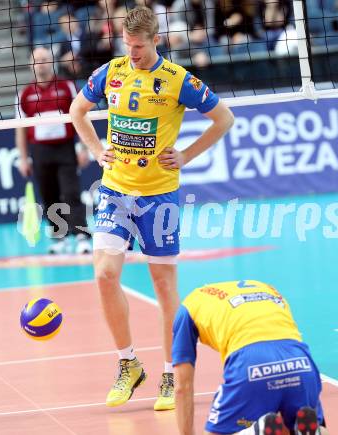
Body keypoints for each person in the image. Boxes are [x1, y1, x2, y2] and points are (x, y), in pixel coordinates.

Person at [69, 5, 234, 411]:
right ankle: (128, 364)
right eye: (128, 46)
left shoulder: (178, 80)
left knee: (164, 287)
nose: (133, 53)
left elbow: (224, 119)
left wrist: (188, 155)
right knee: (105, 275)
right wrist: (96, 149)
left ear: (155, 40)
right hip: (115, 191)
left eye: (139, 47)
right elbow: (77, 111)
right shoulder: (112, 71)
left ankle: (168, 373)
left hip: (160, 195)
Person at [172, 279, 329, 435]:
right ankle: (315, 432)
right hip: (300, 360)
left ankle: (254, 431)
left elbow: (182, 387)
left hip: (251, 363)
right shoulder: (268, 289)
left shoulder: (188, 307)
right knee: (300, 423)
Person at [16, 47, 92, 255]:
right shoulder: (24, 94)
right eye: (37, 60)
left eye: (44, 59)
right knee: (49, 196)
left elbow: (81, 116)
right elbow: (21, 130)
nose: (41, 63)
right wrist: (23, 158)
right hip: (40, 151)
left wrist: (84, 147)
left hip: (65, 148)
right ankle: (60, 238)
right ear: (31, 65)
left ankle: (82, 236)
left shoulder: (67, 86)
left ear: (51, 62)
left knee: (71, 192)